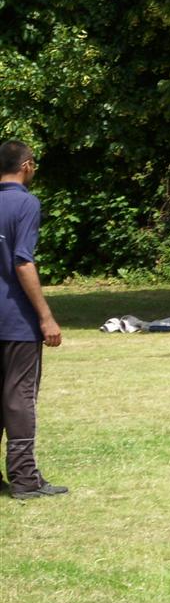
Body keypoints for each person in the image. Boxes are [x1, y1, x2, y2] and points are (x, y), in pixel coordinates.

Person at [0, 140, 67, 499]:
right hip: (15, 321)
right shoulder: (25, 203)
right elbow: (22, 261)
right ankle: (25, 479)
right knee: (19, 396)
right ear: (26, 165)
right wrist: (46, 317)